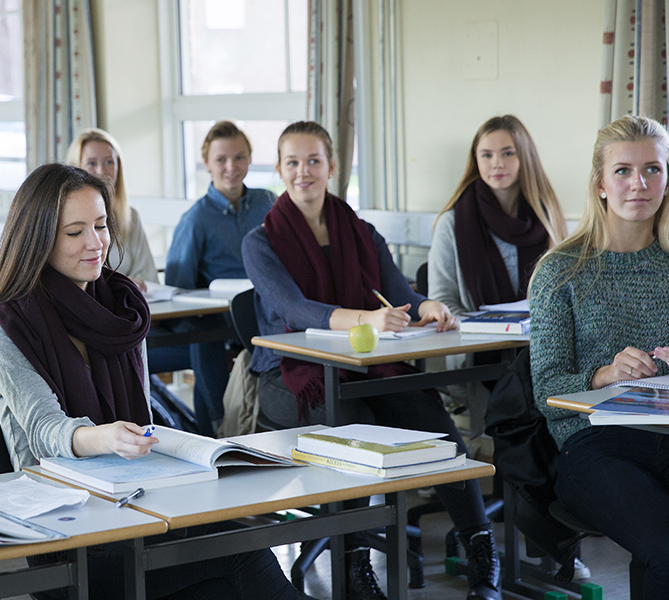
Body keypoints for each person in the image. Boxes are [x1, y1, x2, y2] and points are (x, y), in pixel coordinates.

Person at [0, 162, 312, 600]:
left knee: (236, 558)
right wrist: (106, 438)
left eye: (101, 226)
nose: (96, 243)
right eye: (75, 233)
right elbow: (43, 431)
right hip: (65, 532)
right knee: (242, 556)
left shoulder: (121, 309)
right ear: (38, 239)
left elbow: (142, 419)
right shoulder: (6, 324)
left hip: (139, 502)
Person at [242, 121, 500, 600]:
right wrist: (366, 317)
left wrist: (426, 307)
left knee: (427, 415)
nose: (304, 172)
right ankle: (355, 564)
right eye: (293, 163)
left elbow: (398, 294)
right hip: (290, 379)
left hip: (363, 370)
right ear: (279, 169)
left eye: (314, 161)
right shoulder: (260, 242)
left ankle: (482, 550)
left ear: (332, 167)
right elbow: (294, 309)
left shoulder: (359, 230)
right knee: (354, 422)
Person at [530, 114, 669, 599]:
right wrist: (604, 374)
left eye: (653, 169)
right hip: (593, 445)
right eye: (624, 171)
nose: (639, 183)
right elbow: (546, 389)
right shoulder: (561, 272)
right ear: (601, 185)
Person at [428, 115, 568, 435]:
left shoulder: (547, 217)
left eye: (508, 153)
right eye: (486, 155)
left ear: (524, 158)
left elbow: (562, 291)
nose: (497, 164)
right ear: (475, 160)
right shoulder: (452, 223)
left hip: (539, 349)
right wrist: (493, 329)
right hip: (479, 355)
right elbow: (443, 300)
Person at [164, 120, 276, 435]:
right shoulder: (196, 218)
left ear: (251, 158)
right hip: (216, 320)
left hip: (265, 310)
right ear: (207, 164)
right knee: (203, 338)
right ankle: (218, 428)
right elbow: (178, 286)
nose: (231, 167)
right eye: (221, 160)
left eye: (239, 157)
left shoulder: (268, 202)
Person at [66, 128, 157, 290]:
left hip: (126, 307)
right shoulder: (64, 216)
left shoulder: (131, 216)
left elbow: (148, 277)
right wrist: (116, 286)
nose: (102, 171)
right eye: (91, 163)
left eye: (109, 162)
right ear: (76, 167)